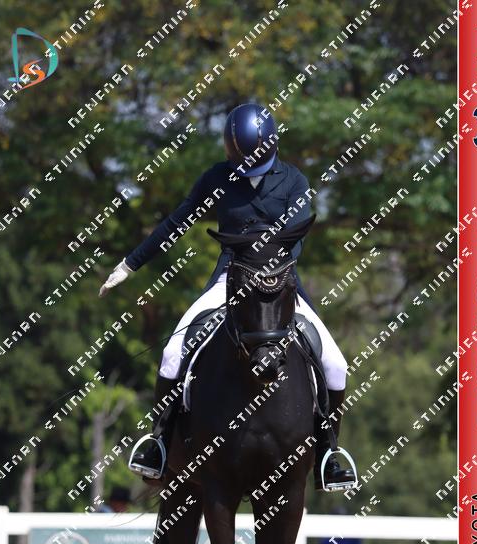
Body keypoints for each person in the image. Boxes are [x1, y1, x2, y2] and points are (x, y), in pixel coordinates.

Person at [99, 102, 357, 491]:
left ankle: (327, 454)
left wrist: (270, 271)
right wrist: (129, 264)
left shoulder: (294, 181)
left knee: (335, 365)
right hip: (229, 279)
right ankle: (159, 444)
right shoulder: (217, 178)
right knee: (171, 354)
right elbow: (177, 221)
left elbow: (296, 240)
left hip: (279, 284)